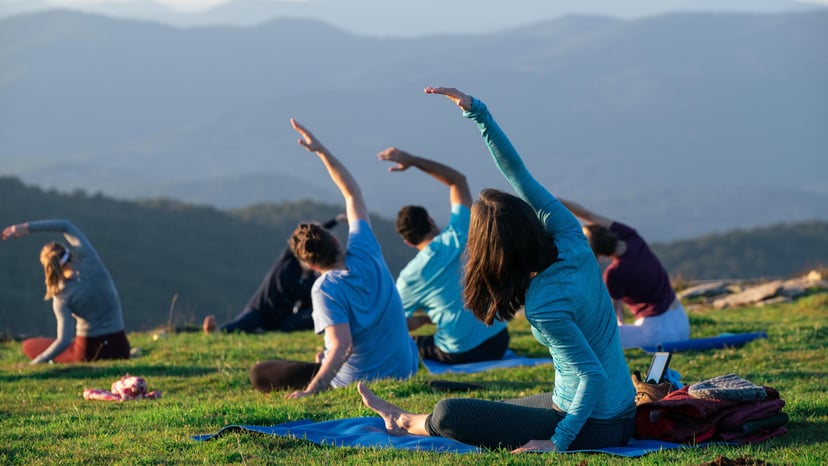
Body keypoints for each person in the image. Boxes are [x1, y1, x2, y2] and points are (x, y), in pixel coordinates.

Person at [358, 87, 636, 453]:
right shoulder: (570, 236)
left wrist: (558, 442)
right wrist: (478, 114)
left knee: (448, 414)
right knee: (499, 411)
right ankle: (411, 419)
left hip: (597, 424)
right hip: (607, 406)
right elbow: (517, 172)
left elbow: (592, 375)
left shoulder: (545, 303)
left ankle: (406, 421)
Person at [248, 119, 419, 398]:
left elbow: (342, 346)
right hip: (405, 369)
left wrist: (312, 391)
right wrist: (322, 151)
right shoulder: (365, 249)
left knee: (261, 373)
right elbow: (352, 193)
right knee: (322, 354)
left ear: (311, 265)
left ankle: (320, 371)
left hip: (362, 381)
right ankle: (322, 363)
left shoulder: (326, 288)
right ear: (336, 240)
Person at [378, 147, 509, 364]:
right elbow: (457, 180)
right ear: (431, 221)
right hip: (498, 340)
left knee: (414, 343)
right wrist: (412, 160)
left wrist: (423, 319)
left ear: (408, 242)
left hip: (460, 352)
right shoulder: (460, 231)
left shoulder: (409, 277)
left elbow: (394, 323)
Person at [557, 198, 691, 349]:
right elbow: (587, 214)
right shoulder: (633, 238)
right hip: (682, 324)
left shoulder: (614, 274)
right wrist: (553, 200)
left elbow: (616, 315)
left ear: (598, 254)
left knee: (594, 336)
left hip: (657, 334)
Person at [2, 219, 130, 364]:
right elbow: (66, 226)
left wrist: (36, 362)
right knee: (47, 345)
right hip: (121, 348)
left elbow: (63, 341)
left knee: (30, 345)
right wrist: (25, 227)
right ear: (69, 253)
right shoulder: (91, 261)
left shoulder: (61, 294)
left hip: (88, 352)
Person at [202, 214, 346, 334]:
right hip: (260, 311)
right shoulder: (289, 261)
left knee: (312, 314)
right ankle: (216, 330)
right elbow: (308, 237)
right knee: (241, 325)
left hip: (283, 320)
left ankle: (265, 331)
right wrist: (334, 221)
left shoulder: (312, 282)